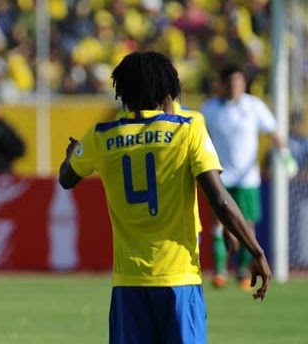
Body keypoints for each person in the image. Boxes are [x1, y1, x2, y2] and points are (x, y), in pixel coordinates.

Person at [59, 51, 271, 344]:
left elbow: (66, 179)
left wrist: (72, 155)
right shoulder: (188, 128)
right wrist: (256, 251)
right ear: (168, 89)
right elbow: (218, 199)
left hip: (128, 284)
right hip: (178, 279)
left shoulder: (101, 136)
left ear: (123, 91)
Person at [200, 64, 294, 290]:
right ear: (222, 84)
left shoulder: (254, 106)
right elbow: (199, 138)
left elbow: (273, 132)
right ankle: (220, 271)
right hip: (219, 176)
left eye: (239, 83)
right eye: (231, 83)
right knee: (218, 224)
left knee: (246, 226)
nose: (235, 87)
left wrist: (285, 156)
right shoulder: (209, 109)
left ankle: (242, 270)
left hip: (247, 178)